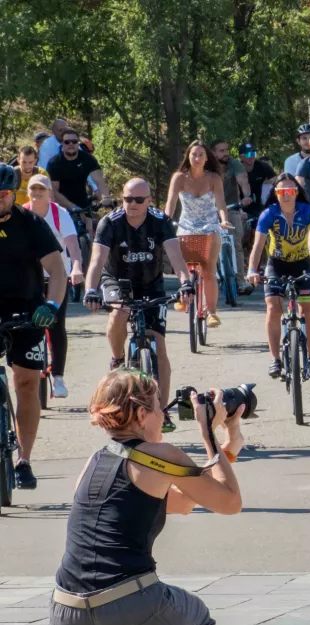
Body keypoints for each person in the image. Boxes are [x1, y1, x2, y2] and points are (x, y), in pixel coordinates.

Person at [51, 371, 244, 625]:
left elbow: (185, 503)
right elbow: (229, 503)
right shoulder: (161, 455)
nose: (165, 417)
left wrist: (229, 449)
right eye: (159, 409)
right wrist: (209, 435)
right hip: (126, 610)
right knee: (199, 620)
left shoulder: (93, 462)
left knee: (127, 610)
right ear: (141, 415)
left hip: (67, 620)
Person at [85, 178, 194, 431]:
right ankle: (117, 357)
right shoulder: (109, 223)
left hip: (150, 282)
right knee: (120, 310)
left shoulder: (160, 222)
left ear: (149, 201)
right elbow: (97, 260)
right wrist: (91, 290)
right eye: (127, 199)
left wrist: (186, 283)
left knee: (160, 344)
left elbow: (176, 257)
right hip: (116, 280)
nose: (131, 204)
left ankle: (163, 410)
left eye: (138, 200)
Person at [0, 164, 69, 491]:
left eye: (2, 195)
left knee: (26, 383)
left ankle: (24, 459)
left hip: (27, 310)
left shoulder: (30, 224)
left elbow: (57, 270)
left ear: (14, 194)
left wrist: (52, 306)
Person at [247, 173, 310, 381]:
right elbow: (258, 245)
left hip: (302, 264)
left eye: (290, 191)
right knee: (273, 308)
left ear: (296, 192)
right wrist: (252, 269)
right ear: (276, 194)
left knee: (307, 311)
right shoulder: (268, 214)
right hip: (277, 265)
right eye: (281, 192)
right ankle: (276, 359)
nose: (286, 195)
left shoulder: (308, 212)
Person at [23, 175, 86, 399]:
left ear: (50, 192)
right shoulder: (23, 214)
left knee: (56, 325)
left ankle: (58, 376)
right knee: (26, 325)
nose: (37, 193)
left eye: (42, 189)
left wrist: (77, 267)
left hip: (57, 276)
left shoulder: (60, 214)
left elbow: (73, 246)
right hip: (31, 277)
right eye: (33, 189)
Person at [165, 141, 234, 327]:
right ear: (188, 156)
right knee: (184, 267)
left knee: (209, 269)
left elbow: (220, 203)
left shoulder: (213, 178)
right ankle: (184, 295)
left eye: (200, 155)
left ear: (206, 158)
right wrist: (164, 221)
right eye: (193, 154)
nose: (197, 158)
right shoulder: (179, 177)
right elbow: (170, 203)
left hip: (209, 226)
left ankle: (211, 312)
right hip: (186, 226)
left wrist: (224, 220)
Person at [212, 140, 253, 286]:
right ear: (214, 153)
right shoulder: (208, 166)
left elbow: (243, 181)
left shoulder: (234, 163)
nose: (225, 153)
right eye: (221, 151)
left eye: (226, 150)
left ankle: (240, 280)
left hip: (232, 208)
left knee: (237, 244)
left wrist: (246, 196)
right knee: (211, 244)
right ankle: (213, 278)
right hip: (212, 210)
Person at [46, 128, 109, 218]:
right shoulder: (54, 163)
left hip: (83, 204)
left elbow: (99, 181)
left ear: (78, 143)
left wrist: (106, 197)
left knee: (89, 230)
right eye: (67, 142)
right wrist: (73, 207)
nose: (71, 144)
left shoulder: (87, 159)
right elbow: (54, 191)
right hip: (62, 207)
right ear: (62, 144)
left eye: (74, 141)